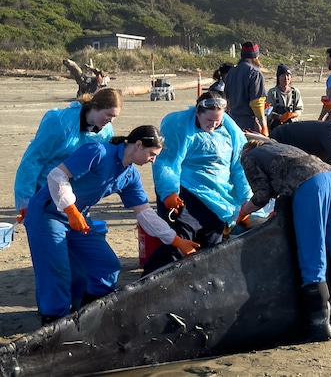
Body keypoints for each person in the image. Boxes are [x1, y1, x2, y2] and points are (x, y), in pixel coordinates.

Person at [25, 125, 197, 324]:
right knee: (57, 270)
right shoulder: (98, 152)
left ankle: (89, 314)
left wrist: (176, 240)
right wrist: (70, 210)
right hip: (47, 214)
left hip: (79, 218)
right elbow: (56, 176)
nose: (153, 160)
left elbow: (145, 214)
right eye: (152, 154)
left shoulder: (130, 175)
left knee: (107, 265)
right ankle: (53, 321)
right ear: (138, 145)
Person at [238, 138, 331, 341]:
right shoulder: (281, 147)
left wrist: (242, 213)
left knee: (312, 257)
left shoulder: (249, 156)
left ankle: (320, 327)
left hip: (310, 186)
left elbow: (261, 195)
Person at [146, 92, 253, 272]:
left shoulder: (230, 129)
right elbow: (167, 162)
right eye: (209, 120)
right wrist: (169, 191)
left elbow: (238, 166)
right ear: (197, 112)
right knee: (179, 244)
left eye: (217, 120)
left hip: (217, 197)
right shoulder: (178, 125)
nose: (213, 124)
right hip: (185, 192)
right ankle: (152, 280)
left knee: (211, 247)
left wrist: (246, 198)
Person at [14, 88, 119, 224]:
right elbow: (33, 159)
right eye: (109, 115)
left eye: (115, 117)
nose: (111, 120)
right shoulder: (60, 123)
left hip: (74, 193)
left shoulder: (106, 132)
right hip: (45, 188)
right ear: (95, 107)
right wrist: (25, 199)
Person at [223, 42, 268, 135]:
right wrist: (263, 126)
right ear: (256, 56)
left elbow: (227, 100)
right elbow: (257, 103)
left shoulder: (232, 72)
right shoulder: (255, 72)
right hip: (250, 123)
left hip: (233, 120)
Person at [266, 64, 304, 133]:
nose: (286, 78)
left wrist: (292, 114)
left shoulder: (295, 92)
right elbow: (268, 112)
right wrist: (280, 117)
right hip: (276, 127)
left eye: (288, 75)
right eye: (283, 75)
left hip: (292, 126)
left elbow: (299, 109)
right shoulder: (272, 92)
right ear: (278, 77)